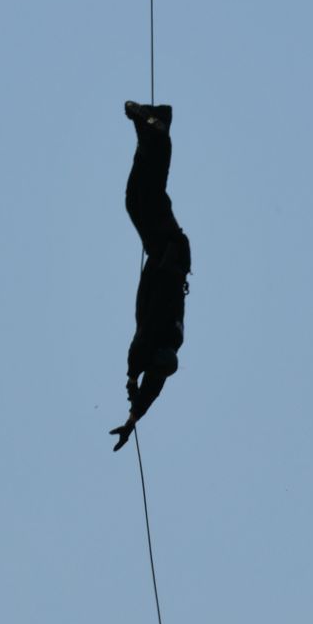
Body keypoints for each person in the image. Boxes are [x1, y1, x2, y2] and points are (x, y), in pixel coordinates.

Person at [111, 101, 190, 451]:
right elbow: (136, 351)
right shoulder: (157, 336)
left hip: (166, 254)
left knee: (135, 199)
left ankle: (149, 131)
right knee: (149, 195)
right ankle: (159, 128)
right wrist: (130, 379)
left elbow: (152, 390)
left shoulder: (164, 354)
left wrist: (132, 419)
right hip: (169, 250)